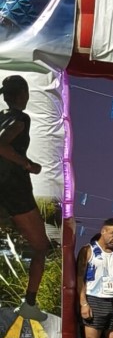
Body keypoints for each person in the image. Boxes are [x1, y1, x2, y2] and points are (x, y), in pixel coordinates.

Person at [0, 75, 50, 313]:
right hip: (14, 189)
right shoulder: (21, 118)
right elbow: (2, 145)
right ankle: (29, 304)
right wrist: (28, 165)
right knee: (41, 247)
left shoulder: (1, 116)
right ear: (23, 94)